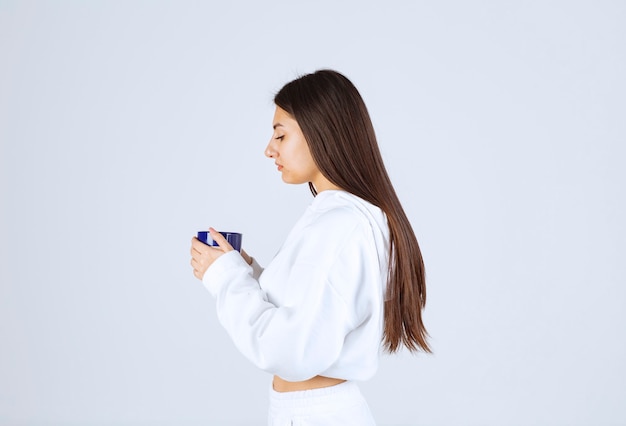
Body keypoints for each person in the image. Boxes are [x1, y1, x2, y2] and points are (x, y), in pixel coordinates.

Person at [190, 69, 430, 426]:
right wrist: (246, 269)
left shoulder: (339, 225)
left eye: (280, 134)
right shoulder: (343, 217)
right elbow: (308, 310)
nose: (269, 149)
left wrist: (226, 277)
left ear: (322, 133)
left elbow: (288, 349)